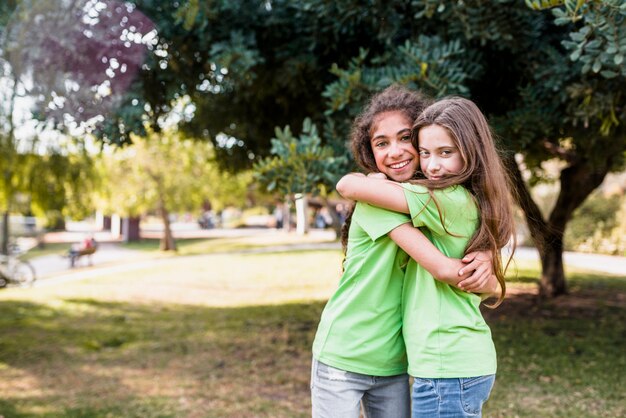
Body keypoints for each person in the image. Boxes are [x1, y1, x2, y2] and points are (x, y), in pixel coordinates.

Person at [311, 86, 498, 418]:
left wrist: (486, 259)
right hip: (344, 351)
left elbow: (482, 269)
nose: (395, 151)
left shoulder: (437, 200)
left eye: (405, 138)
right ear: (370, 152)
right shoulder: (377, 197)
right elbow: (443, 267)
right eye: (382, 143)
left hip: (396, 360)